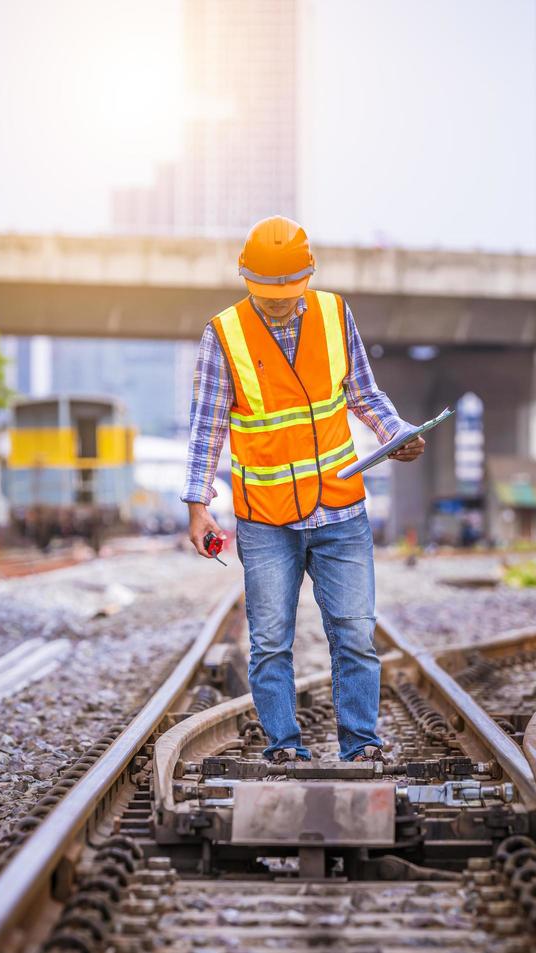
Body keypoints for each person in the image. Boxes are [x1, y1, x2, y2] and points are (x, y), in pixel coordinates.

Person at [182, 215, 425, 764]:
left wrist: (398, 434)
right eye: (265, 292)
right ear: (247, 279)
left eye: (286, 291)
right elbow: (207, 428)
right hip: (266, 520)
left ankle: (362, 747)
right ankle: (284, 747)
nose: (276, 302)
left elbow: (365, 395)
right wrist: (198, 507)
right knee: (269, 644)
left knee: (356, 635)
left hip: (339, 511)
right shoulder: (224, 334)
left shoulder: (336, 315)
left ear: (307, 277)